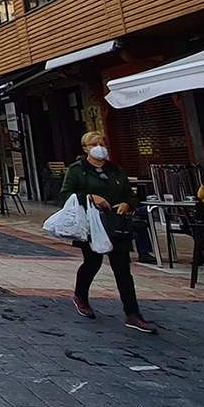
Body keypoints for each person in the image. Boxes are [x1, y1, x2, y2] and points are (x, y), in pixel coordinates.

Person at [60, 131, 157, 334]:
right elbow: (65, 195)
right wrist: (89, 197)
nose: (100, 147)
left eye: (102, 143)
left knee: (122, 269)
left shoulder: (116, 170)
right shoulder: (77, 171)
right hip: (92, 224)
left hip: (117, 224)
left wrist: (126, 204)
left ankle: (133, 314)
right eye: (94, 144)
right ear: (86, 148)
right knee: (92, 262)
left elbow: (131, 197)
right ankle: (81, 296)